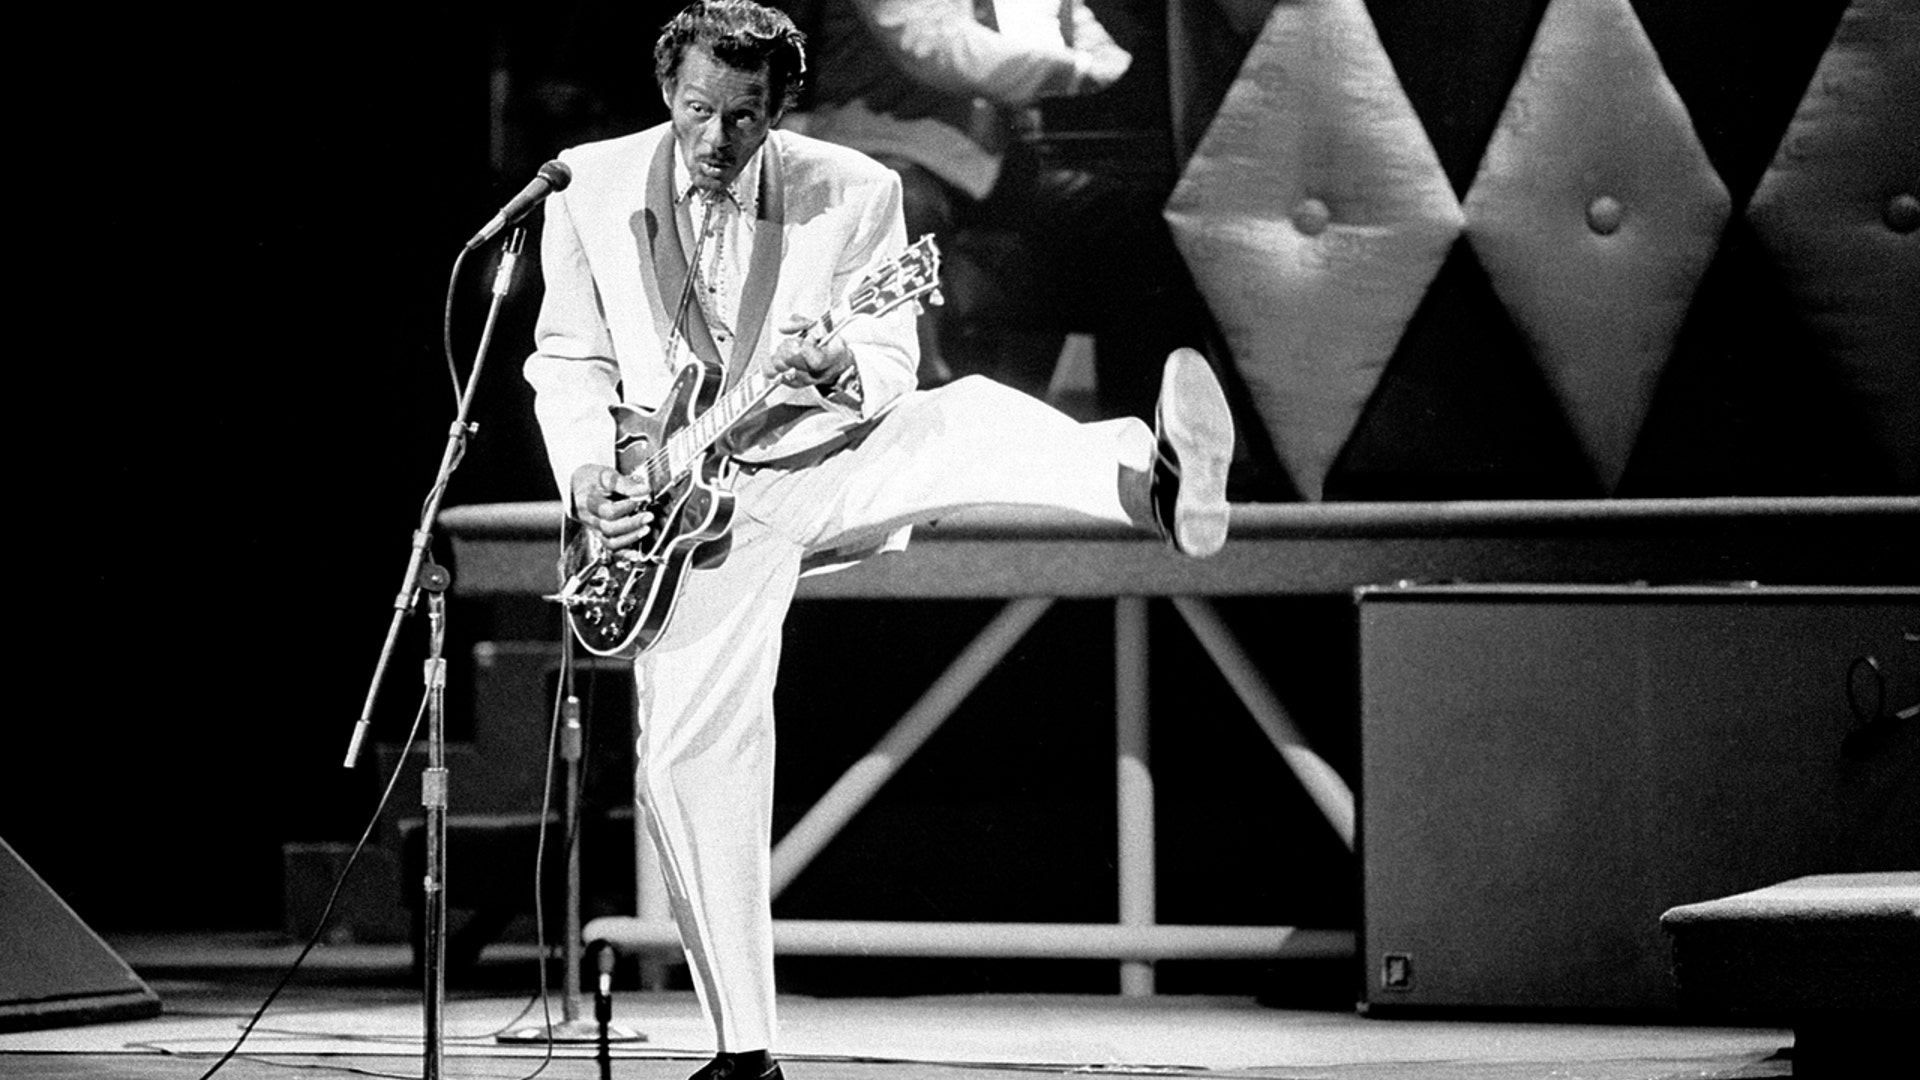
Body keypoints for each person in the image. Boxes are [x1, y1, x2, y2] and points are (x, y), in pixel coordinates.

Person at [522, 3, 1232, 1076]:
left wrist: (838, 371)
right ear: (668, 89)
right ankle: (745, 1050)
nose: (718, 141)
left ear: (781, 109)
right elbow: (569, 360)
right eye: (700, 111)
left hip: (809, 460)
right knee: (687, 759)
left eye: (746, 118)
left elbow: (891, 359)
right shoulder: (588, 183)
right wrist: (588, 479)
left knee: (961, 416)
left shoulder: (856, 191)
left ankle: (1144, 478)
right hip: (673, 511)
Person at [801, 0, 1200, 420]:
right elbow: (933, 44)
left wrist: (1106, 68)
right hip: (894, 150)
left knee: (1135, 219)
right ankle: (914, 418)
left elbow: (1085, 41)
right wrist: (1079, 70)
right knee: (904, 207)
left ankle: (1138, 446)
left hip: (991, 163)